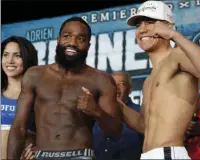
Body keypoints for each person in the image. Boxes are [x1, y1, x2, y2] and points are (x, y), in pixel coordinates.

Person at [117, 0, 200, 159]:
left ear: (169, 26)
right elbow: (143, 126)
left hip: (168, 153)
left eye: (150, 23)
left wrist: (174, 35)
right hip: (148, 155)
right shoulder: (149, 80)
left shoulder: (177, 56)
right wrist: (117, 103)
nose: (142, 29)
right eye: (139, 25)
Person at [7, 17, 122, 160]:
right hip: (42, 155)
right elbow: (19, 126)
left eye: (80, 39)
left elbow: (116, 132)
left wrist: (96, 111)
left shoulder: (101, 80)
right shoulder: (35, 75)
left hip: (80, 155)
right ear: (58, 39)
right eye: (67, 36)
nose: (72, 43)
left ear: (88, 45)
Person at [1, 36, 38, 159]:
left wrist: (38, 147)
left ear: (28, 58)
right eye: (5, 55)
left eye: (17, 56)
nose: (10, 61)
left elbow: (53, 132)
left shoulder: (37, 96)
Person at [93, 71, 143, 160]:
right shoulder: (95, 112)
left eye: (121, 84)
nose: (116, 87)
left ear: (130, 90)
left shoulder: (139, 113)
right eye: (113, 84)